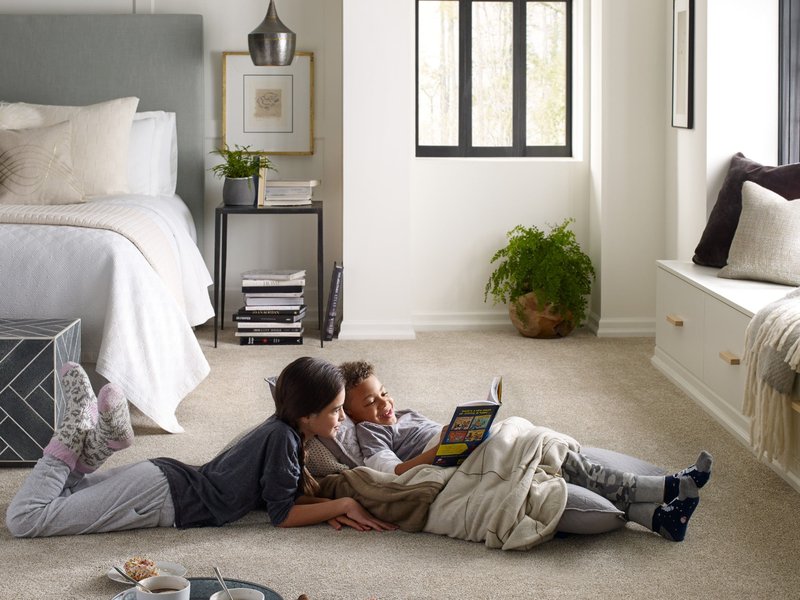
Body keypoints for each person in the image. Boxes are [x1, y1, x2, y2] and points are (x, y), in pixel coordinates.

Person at [5, 357, 396, 537]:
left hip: (160, 482)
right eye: (336, 410)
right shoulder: (283, 439)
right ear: (307, 415)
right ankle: (73, 433)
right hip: (161, 497)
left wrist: (326, 509)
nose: (342, 418)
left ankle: (102, 442)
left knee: (67, 492)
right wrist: (344, 504)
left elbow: (282, 498)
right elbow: (283, 515)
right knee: (27, 519)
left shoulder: (285, 430)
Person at [339, 360, 712, 542]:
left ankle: (661, 520)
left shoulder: (402, 414)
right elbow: (395, 473)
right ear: (351, 414)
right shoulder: (369, 433)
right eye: (370, 402)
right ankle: (664, 488)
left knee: (544, 449)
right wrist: (441, 446)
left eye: (384, 392)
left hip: (467, 446)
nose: (383, 405)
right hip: (455, 460)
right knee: (542, 452)